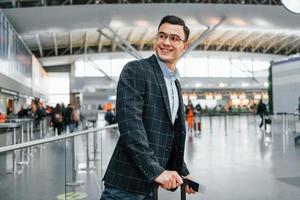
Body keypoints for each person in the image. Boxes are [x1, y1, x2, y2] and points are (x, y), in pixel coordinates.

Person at [101, 15, 196, 200]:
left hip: (148, 187)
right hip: (125, 186)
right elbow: (131, 125)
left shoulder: (174, 82)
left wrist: (182, 171)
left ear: (184, 46)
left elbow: (166, 135)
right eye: (161, 36)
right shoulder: (136, 70)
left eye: (174, 38)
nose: (166, 42)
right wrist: (156, 172)